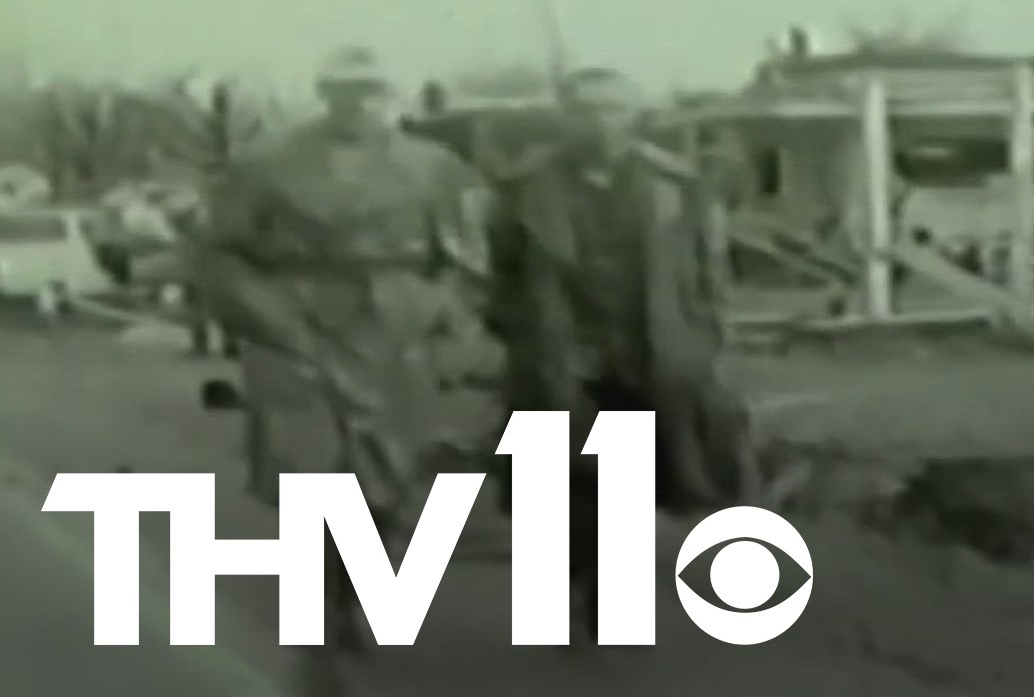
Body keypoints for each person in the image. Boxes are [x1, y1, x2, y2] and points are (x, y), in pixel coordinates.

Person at [195, 45, 487, 696]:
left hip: (395, 329)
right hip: (294, 323)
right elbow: (221, 255)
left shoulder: (434, 167)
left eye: (370, 91)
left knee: (388, 474)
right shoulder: (267, 164)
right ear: (324, 95)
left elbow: (466, 262)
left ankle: (360, 589)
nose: (357, 104)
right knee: (307, 474)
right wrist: (267, 319)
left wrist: (445, 322)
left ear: (389, 95)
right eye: (343, 92)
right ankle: (317, 610)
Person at [484, 65, 753, 639]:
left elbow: (711, 271)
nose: (599, 122)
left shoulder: (673, 185)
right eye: (584, 109)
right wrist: (523, 333)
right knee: (554, 487)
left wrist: (701, 335)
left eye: (612, 109)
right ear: (564, 117)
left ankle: (611, 612)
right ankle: (558, 597)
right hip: (559, 349)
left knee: (632, 479)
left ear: (634, 117)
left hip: (648, 348)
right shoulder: (526, 188)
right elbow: (499, 271)